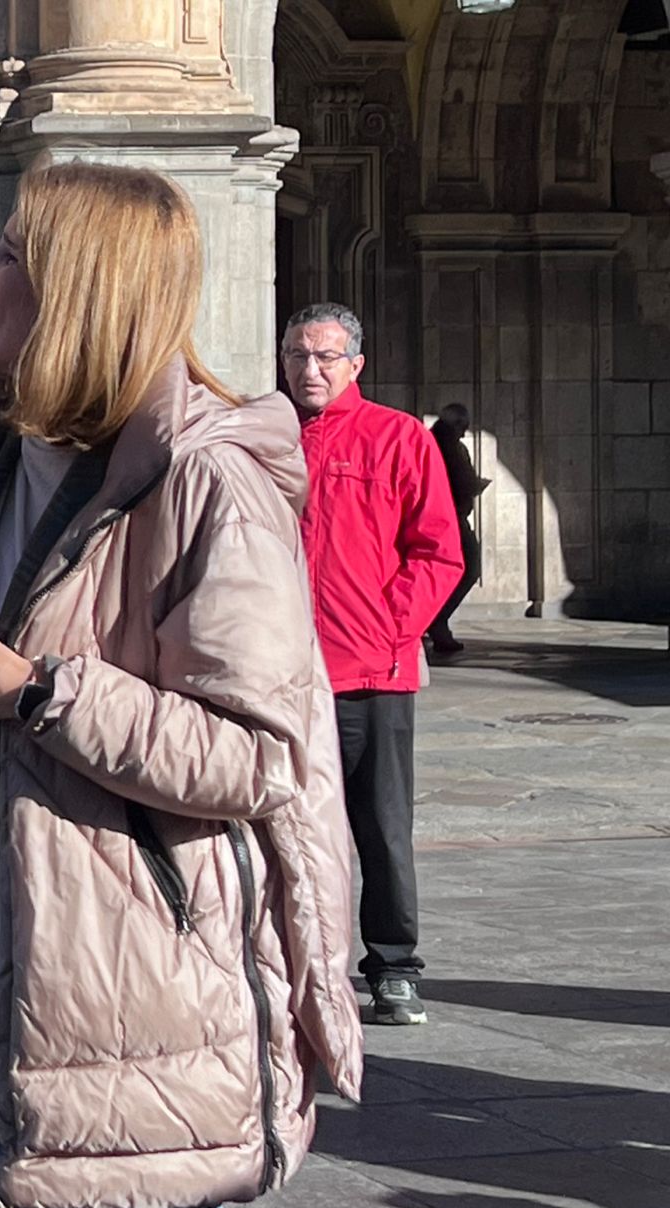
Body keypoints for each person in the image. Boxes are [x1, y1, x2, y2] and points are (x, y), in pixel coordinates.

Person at [0, 164, 364, 1208]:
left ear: (84, 289)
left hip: (133, 958)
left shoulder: (205, 478)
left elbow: (256, 756)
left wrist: (35, 693)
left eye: (11, 253)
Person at [280, 302, 463, 1027]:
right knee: (281, 824)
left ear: (356, 364)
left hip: (371, 674)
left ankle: (394, 966)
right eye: (298, 354)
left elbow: (440, 550)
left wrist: (393, 629)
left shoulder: (395, 438)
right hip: (283, 672)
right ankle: (292, 962)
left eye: (326, 357)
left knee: (380, 828)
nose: (310, 369)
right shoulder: (266, 438)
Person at [426, 403, 485, 656]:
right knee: (469, 568)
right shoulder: (445, 447)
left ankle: (436, 621)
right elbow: (461, 481)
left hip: (448, 516)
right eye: (463, 428)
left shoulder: (437, 443)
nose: (464, 433)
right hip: (447, 518)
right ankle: (437, 621)